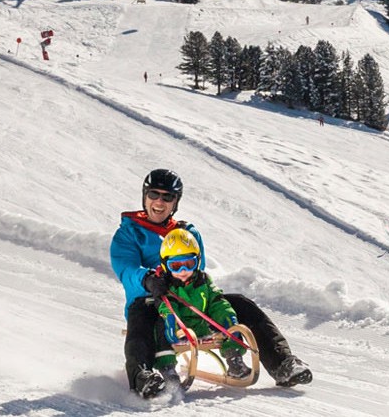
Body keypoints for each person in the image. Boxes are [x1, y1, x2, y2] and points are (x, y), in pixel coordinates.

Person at [111, 169, 311, 398]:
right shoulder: (128, 233)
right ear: (145, 196)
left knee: (240, 303)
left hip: (188, 300)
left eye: (167, 197)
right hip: (151, 300)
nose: (159, 202)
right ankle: (142, 377)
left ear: (175, 201)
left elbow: (198, 269)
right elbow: (126, 270)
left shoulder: (186, 231)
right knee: (140, 316)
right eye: (154, 194)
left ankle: (283, 364)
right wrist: (148, 279)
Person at [132, 228, 254, 390]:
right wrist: (172, 323)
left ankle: (234, 358)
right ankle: (167, 368)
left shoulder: (203, 281)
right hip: (175, 330)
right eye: (175, 266)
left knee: (227, 316)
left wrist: (228, 318)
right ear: (165, 266)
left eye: (189, 264)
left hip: (200, 327)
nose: (183, 271)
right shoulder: (165, 286)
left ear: (197, 261)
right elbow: (168, 307)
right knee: (160, 328)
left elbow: (216, 302)